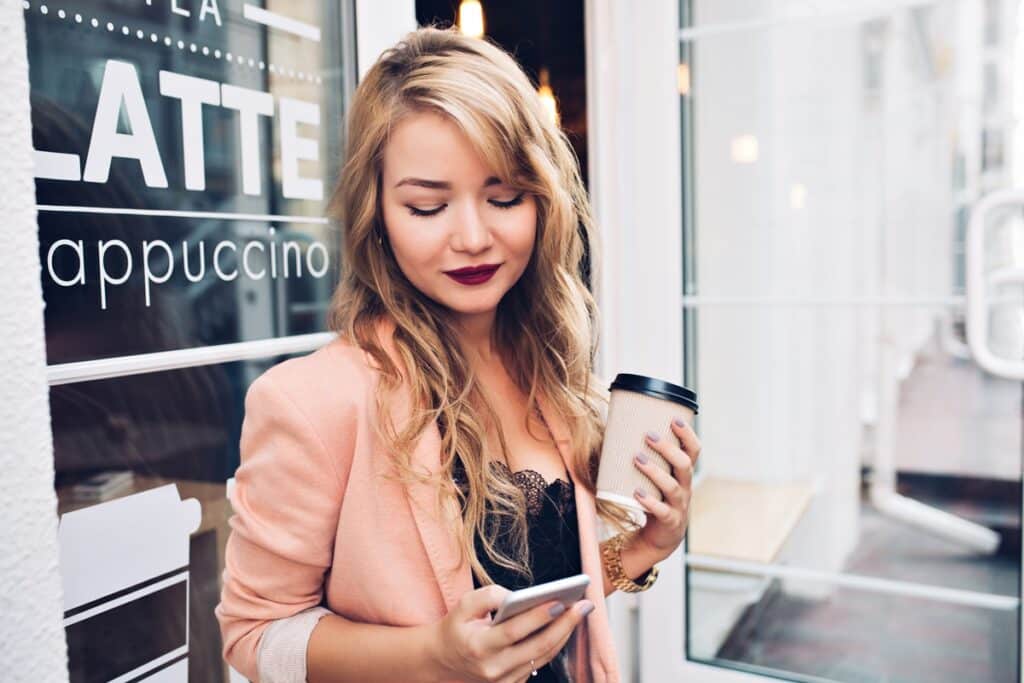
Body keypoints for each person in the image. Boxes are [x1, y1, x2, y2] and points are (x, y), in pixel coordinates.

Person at [215, 25, 701, 683]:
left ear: (542, 199)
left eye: (503, 197)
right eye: (427, 205)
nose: (472, 236)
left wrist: (645, 547)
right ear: (377, 214)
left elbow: (540, 605)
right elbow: (255, 635)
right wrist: (432, 656)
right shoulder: (314, 400)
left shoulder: (547, 371)